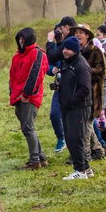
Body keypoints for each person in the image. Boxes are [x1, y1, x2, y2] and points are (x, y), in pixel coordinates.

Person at [9, 27, 48, 169]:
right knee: (27, 127)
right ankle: (41, 157)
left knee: (28, 128)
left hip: (29, 97)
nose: (20, 42)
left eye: (23, 39)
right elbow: (13, 77)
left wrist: (26, 94)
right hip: (17, 96)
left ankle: (34, 161)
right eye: (19, 39)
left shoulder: (38, 54)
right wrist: (12, 94)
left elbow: (36, 76)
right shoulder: (17, 57)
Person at [58, 35, 93, 179]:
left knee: (75, 138)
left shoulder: (81, 65)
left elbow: (85, 88)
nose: (65, 51)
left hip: (79, 107)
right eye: (64, 48)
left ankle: (80, 170)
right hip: (68, 107)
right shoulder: (67, 63)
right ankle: (86, 168)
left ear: (75, 50)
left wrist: (71, 101)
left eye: (68, 49)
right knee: (70, 137)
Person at [73, 24, 106, 159]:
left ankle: (84, 154)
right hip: (79, 93)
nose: (78, 35)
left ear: (87, 35)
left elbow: (102, 71)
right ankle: (98, 149)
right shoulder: (76, 52)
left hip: (93, 93)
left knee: (86, 123)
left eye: (81, 32)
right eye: (76, 32)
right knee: (86, 123)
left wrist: (84, 72)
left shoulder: (96, 51)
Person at [45, 16, 77, 151]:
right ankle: (61, 138)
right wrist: (51, 69)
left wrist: (49, 42)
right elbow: (47, 64)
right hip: (59, 86)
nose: (59, 33)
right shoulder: (56, 47)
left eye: (60, 30)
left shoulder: (71, 45)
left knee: (79, 117)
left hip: (72, 86)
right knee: (54, 114)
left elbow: (53, 55)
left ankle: (99, 142)